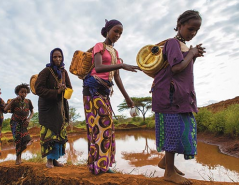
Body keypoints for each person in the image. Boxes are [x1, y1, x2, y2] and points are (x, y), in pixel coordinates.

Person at [151, 10, 206, 184]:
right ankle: (168, 173)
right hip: (169, 96)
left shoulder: (183, 46)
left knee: (180, 128)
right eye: (190, 29)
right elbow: (175, 68)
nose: (193, 33)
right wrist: (191, 53)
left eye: (196, 30)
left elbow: (183, 68)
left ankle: (166, 163)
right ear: (180, 25)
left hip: (180, 96)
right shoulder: (172, 42)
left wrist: (193, 54)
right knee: (173, 131)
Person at [83, 19, 140, 175]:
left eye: (121, 33)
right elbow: (99, 67)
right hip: (92, 90)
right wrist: (121, 64)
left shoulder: (115, 52)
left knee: (108, 127)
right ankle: (96, 165)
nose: (118, 35)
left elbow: (117, 78)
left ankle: (103, 164)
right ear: (108, 30)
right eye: (116, 31)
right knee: (100, 124)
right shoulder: (99, 46)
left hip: (105, 92)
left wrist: (127, 98)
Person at [35, 48, 72, 168]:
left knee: (59, 134)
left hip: (60, 107)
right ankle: (49, 160)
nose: (58, 59)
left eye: (60, 57)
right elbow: (38, 89)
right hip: (47, 107)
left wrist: (64, 89)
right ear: (51, 58)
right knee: (49, 134)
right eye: (55, 57)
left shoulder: (64, 72)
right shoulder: (46, 71)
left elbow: (70, 89)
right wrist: (56, 91)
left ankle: (55, 159)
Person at [4, 83, 34, 165]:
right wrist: (13, 101)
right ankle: (18, 159)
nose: (24, 94)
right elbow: (5, 110)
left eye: (25, 92)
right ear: (18, 92)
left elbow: (32, 112)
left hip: (24, 124)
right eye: (22, 92)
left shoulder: (28, 101)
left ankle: (19, 157)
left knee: (26, 140)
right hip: (15, 123)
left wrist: (28, 119)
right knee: (18, 141)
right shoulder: (14, 101)